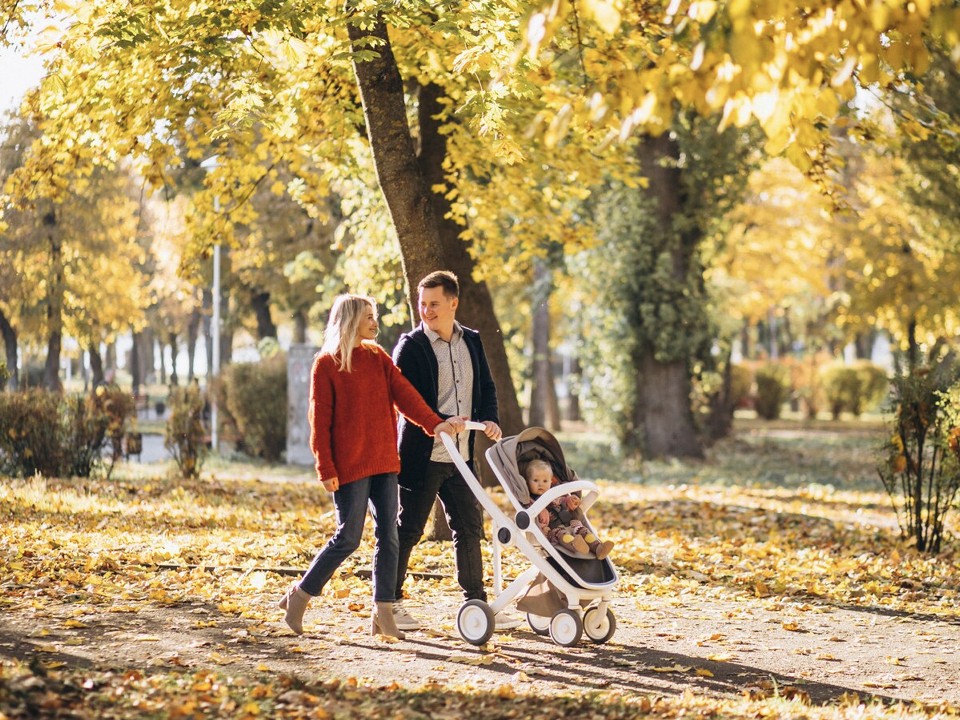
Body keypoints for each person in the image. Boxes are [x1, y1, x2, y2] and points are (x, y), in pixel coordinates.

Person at [278, 294, 464, 639]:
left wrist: (434, 423)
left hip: (383, 462)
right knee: (348, 537)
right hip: (349, 467)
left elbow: (405, 395)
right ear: (350, 320)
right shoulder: (327, 365)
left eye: (374, 315)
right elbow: (320, 422)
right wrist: (326, 468)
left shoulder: (377, 357)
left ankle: (383, 613)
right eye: (369, 316)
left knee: (389, 537)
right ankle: (299, 597)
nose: (375, 322)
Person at [391, 270, 519, 631]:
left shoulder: (473, 342)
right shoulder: (411, 346)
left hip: (462, 455)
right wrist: (443, 420)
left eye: (434, 304)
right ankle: (390, 602)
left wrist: (489, 419)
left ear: (453, 303)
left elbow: (487, 389)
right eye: (422, 304)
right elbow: (407, 401)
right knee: (409, 528)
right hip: (424, 453)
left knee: (469, 526)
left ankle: (476, 604)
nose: (426, 311)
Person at [523, 459, 614, 560]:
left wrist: (571, 500)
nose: (540, 484)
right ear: (527, 482)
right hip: (554, 529)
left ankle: (598, 548)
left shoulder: (556, 493)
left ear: (551, 481)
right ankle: (575, 545)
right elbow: (534, 518)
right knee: (562, 535)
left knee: (583, 530)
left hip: (571, 523)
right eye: (535, 480)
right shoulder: (531, 502)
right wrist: (544, 528)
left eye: (545, 481)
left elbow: (564, 501)